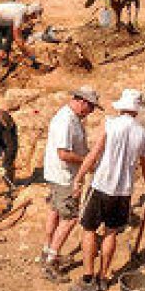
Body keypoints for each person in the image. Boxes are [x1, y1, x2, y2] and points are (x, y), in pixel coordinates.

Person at [69, 88, 145, 291]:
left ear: (122, 107)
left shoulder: (111, 124)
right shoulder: (142, 134)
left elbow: (94, 154)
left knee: (89, 230)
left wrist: (79, 178)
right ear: (136, 110)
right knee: (111, 233)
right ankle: (103, 276)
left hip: (101, 185)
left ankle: (88, 277)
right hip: (123, 191)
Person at [39, 87, 101, 280]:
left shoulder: (70, 118)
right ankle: (51, 260)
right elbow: (63, 153)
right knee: (71, 218)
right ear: (82, 102)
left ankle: (47, 250)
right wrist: (86, 161)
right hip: (63, 175)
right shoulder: (66, 121)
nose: (89, 113)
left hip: (58, 174)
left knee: (55, 212)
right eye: (90, 108)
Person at [0, 1, 42, 85]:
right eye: (34, 16)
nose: (33, 18)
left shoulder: (24, 9)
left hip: (2, 20)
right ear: (32, 13)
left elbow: (17, 32)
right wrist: (29, 54)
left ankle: (5, 58)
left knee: (11, 34)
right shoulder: (19, 14)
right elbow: (18, 40)